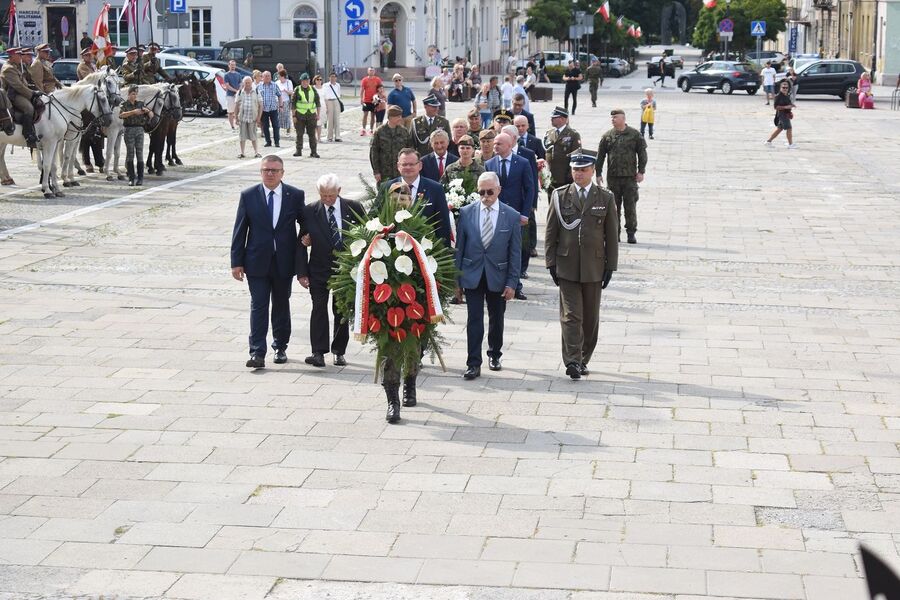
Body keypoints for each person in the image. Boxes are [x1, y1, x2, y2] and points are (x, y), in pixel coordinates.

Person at [545, 152, 618, 380]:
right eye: (575, 169)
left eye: (583, 169)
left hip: (594, 266)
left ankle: (584, 357)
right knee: (571, 316)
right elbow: (551, 231)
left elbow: (611, 235)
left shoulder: (604, 198)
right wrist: (550, 263)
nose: (578, 173)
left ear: (592, 170)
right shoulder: (560, 195)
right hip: (567, 265)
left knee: (590, 318)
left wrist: (610, 266)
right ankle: (573, 360)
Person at [230, 155, 305, 369]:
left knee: (281, 305)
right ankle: (257, 352)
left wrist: (306, 241)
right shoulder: (249, 195)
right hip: (256, 261)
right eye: (266, 170)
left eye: (274, 170)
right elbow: (240, 230)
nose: (270, 174)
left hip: (283, 260)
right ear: (260, 172)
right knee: (259, 305)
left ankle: (280, 346)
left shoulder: (294, 195)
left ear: (282, 172)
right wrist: (236, 262)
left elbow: (305, 223)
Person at [456, 171, 521, 380]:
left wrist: (512, 282)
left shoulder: (511, 215)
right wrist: (457, 280)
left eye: (490, 192)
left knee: (497, 317)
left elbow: (515, 252)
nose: (485, 196)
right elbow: (460, 248)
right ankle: (473, 362)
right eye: (481, 192)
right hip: (472, 273)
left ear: (498, 190)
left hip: (498, 275)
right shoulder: (466, 212)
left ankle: (494, 353)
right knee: (474, 319)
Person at [295, 174, 364, 368]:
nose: (327, 199)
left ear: (339, 191)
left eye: (331, 195)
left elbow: (365, 236)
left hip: (345, 269)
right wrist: (301, 272)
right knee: (318, 308)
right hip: (318, 268)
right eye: (323, 195)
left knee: (341, 310)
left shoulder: (354, 208)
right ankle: (318, 352)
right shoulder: (309, 211)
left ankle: (339, 351)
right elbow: (301, 242)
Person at [484, 132, 533, 300]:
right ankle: (495, 283)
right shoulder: (489, 163)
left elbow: (529, 189)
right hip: (495, 213)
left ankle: (515, 285)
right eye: (494, 143)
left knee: (515, 249)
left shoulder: (523, 163)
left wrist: (525, 213)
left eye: (499, 144)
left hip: (515, 213)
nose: (495, 146)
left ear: (509, 146)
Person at [596, 108, 648, 244]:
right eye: (612, 118)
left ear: (623, 119)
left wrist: (641, 171)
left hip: (630, 178)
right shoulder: (607, 136)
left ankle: (631, 233)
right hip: (613, 178)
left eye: (615, 117)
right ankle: (615, 233)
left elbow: (642, 154)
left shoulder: (634, 134)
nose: (613, 120)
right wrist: (598, 173)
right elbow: (600, 156)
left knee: (630, 206)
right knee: (613, 208)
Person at [382, 148, 453, 247]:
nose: (408, 167)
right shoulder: (386, 187)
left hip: (426, 249)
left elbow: (443, 223)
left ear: (420, 165)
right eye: (404, 164)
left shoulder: (435, 188)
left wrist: (445, 252)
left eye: (411, 164)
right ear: (398, 166)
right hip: (393, 249)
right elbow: (375, 215)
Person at [0, 48, 40, 148]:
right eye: (18, 55)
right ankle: (28, 134)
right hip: (13, 95)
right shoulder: (8, 68)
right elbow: (18, 86)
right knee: (29, 108)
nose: (20, 57)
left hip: (20, 92)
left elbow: (24, 82)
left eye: (20, 54)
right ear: (12, 56)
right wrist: (32, 93)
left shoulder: (17, 66)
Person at [75, 47, 105, 174]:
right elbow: (89, 80)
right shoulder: (82, 67)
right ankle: (86, 161)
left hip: (94, 99)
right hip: (85, 101)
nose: (89, 57)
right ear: (83, 57)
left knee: (97, 133)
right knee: (86, 134)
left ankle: (100, 160)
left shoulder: (93, 65)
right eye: (87, 55)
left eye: (90, 55)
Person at [119, 85, 153, 186]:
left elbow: (151, 115)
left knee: (139, 153)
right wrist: (133, 112)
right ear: (129, 94)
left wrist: (148, 112)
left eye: (136, 94)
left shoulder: (140, 104)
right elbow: (121, 115)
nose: (135, 96)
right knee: (130, 154)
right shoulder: (124, 104)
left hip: (139, 130)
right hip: (129, 129)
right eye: (133, 94)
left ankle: (140, 178)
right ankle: (131, 178)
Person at [543, 106, 582, 191]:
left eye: (554, 117)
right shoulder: (549, 133)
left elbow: (576, 156)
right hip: (550, 176)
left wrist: (571, 174)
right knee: (552, 201)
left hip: (564, 176)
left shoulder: (573, 134)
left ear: (563, 119)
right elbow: (545, 151)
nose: (551, 119)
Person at [370, 105, 411, 183]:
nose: (400, 118)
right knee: (385, 194)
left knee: (401, 194)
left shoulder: (404, 132)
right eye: (398, 116)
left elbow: (409, 151)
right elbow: (374, 153)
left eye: (400, 116)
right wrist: (376, 171)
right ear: (390, 117)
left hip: (400, 173)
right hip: (384, 173)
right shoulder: (379, 132)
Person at [291, 72, 321, 158]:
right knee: (299, 134)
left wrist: (318, 114)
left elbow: (318, 103)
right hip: (300, 115)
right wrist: (293, 116)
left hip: (311, 115)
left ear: (309, 81)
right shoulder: (297, 89)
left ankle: (314, 152)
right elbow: (293, 104)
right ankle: (298, 150)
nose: (305, 82)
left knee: (312, 134)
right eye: (304, 81)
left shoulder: (313, 89)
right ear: (301, 81)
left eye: (307, 81)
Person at [235, 76, 262, 159]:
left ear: (251, 83)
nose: (247, 84)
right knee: (242, 136)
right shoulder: (240, 92)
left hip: (252, 117)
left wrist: (259, 117)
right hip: (242, 118)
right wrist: (236, 117)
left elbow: (261, 105)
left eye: (249, 82)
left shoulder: (256, 91)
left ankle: (256, 152)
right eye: (246, 83)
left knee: (253, 135)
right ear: (243, 83)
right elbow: (236, 106)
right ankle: (242, 153)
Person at [764, 81, 797, 149]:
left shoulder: (786, 95)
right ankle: (790, 144)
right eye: (783, 87)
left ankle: (768, 142)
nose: (785, 89)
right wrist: (786, 107)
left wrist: (791, 106)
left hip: (786, 114)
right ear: (780, 88)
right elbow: (776, 107)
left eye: (786, 87)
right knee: (789, 128)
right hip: (782, 115)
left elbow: (787, 104)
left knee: (779, 129)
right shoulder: (778, 96)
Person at [359, 67, 382, 136]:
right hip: (366, 100)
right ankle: (363, 129)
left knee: (373, 115)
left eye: (372, 70)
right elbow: (362, 90)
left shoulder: (377, 79)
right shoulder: (364, 80)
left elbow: (380, 89)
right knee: (365, 115)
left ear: (374, 72)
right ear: (368, 71)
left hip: (374, 101)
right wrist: (361, 98)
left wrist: (379, 98)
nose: (371, 72)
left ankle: (371, 130)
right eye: (370, 70)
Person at [322, 71, 343, 142]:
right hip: (329, 101)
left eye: (334, 77)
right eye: (331, 77)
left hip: (336, 100)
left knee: (337, 119)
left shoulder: (338, 85)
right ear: (329, 78)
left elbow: (339, 94)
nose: (333, 78)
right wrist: (326, 106)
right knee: (330, 120)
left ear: (336, 78)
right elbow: (324, 96)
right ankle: (329, 137)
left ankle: (337, 136)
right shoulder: (325, 85)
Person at [223, 60, 243, 130]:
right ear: (229, 65)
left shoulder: (238, 74)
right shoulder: (226, 75)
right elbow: (227, 86)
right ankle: (232, 126)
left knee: (239, 111)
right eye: (231, 65)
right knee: (230, 111)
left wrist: (238, 91)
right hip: (230, 95)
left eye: (234, 65)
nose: (233, 66)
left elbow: (241, 84)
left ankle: (238, 124)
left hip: (238, 95)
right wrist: (236, 91)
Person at [275, 70, 294, 137]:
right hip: (277, 101)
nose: (278, 77)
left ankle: (288, 131)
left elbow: (291, 92)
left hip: (286, 101)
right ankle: (278, 130)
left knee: (286, 116)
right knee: (278, 116)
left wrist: (285, 91)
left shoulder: (289, 82)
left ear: (283, 76)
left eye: (279, 75)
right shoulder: (277, 82)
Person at [312, 75, 326, 142]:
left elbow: (325, 99)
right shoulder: (313, 88)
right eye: (317, 79)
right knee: (315, 123)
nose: (319, 81)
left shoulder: (324, 88)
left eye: (320, 79)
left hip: (322, 107)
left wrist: (327, 108)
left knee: (320, 123)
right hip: (314, 107)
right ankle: (314, 137)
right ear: (315, 80)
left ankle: (319, 137)